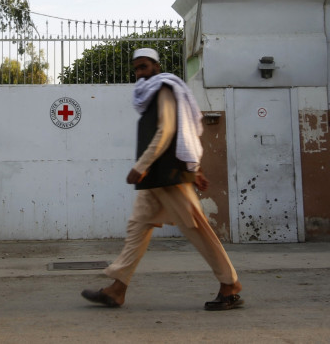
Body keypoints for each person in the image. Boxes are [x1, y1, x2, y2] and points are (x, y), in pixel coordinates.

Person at [81, 47, 243, 311]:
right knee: (137, 228)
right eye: (136, 68)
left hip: (168, 175)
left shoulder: (164, 89)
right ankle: (117, 289)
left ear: (156, 66)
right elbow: (182, 132)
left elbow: (168, 130)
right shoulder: (149, 95)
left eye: (144, 66)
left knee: (196, 229)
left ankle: (230, 284)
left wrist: (142, 165)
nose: (140, 72)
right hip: (154, 177)